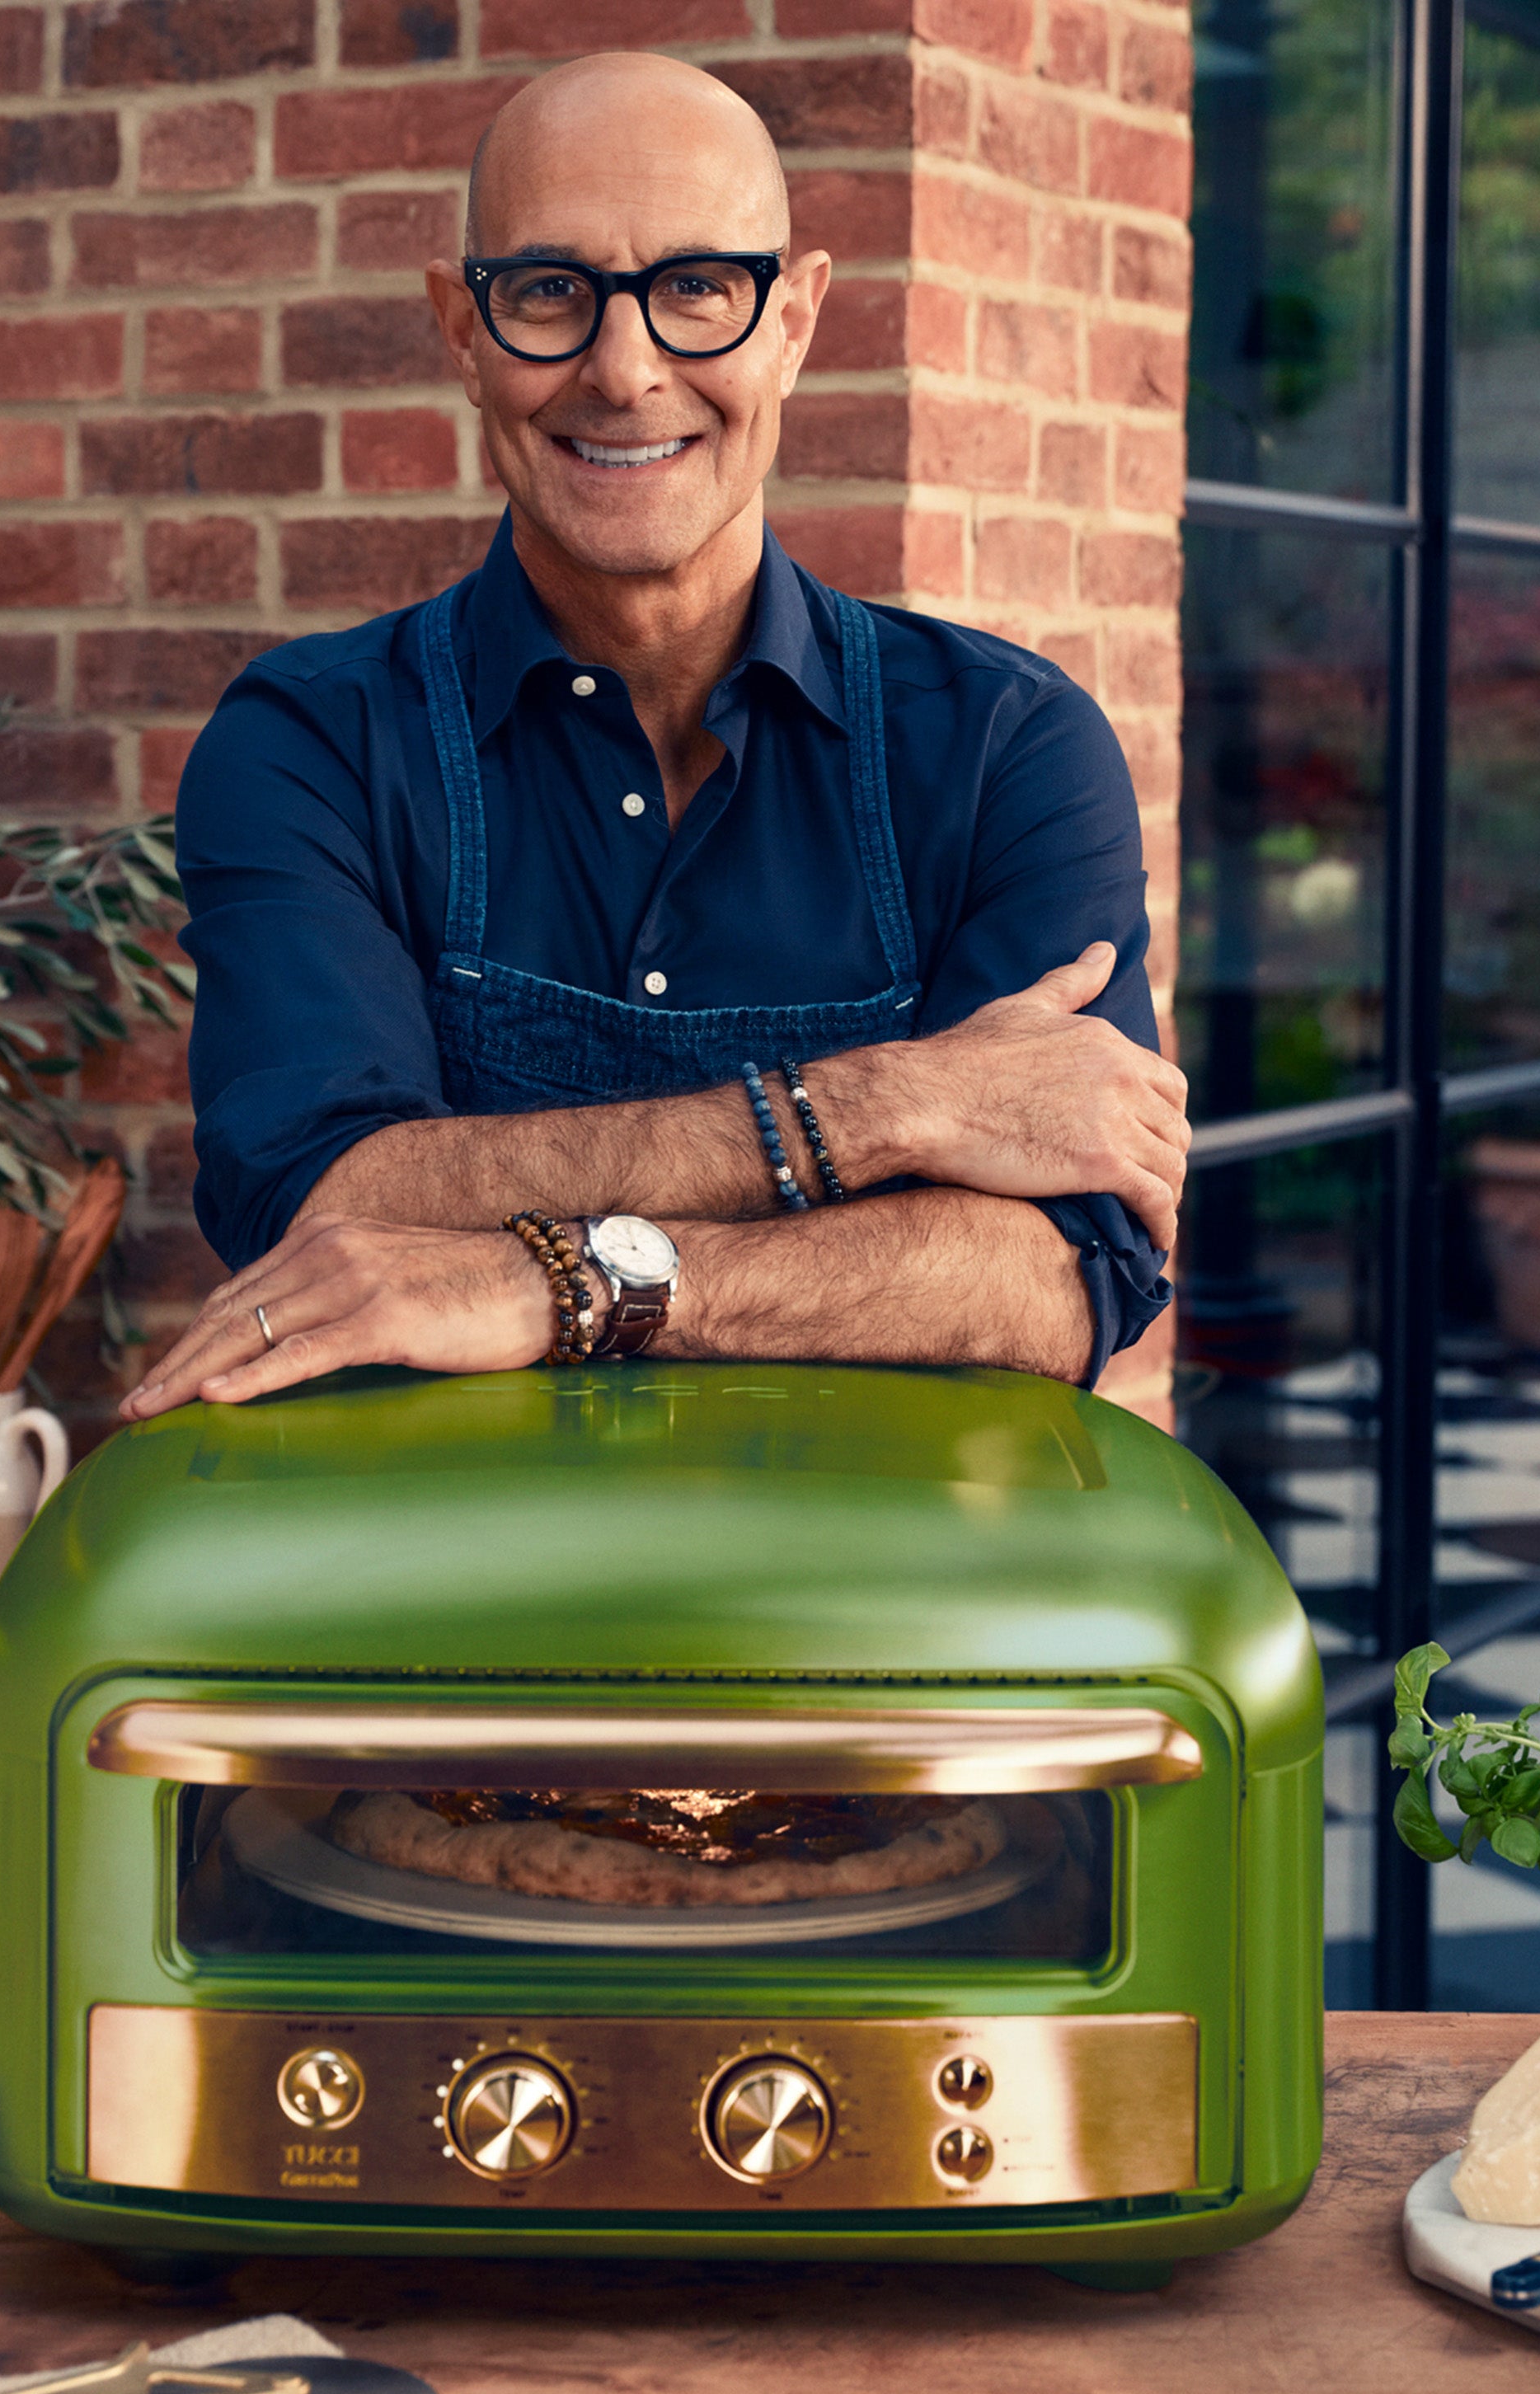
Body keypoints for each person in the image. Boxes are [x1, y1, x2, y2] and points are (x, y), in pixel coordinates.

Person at [121, 49, 1187, 1420]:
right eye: (548, 292)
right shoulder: (312, 745)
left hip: (878, 1557)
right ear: (462, 330)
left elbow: (1058, 1278)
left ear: (793, 322)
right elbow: (322, 1204)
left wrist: (557, 1285)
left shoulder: (1007, 749)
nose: (624, 372)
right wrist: (891, 1108)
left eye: (697, 289)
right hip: (437, 1549)